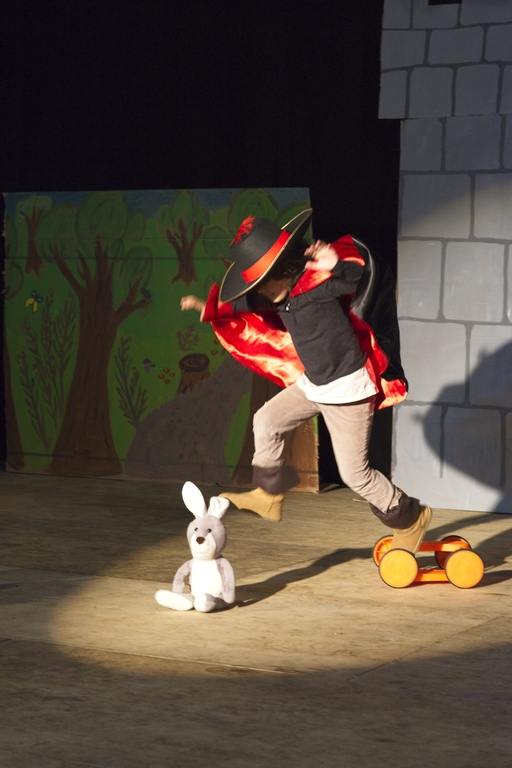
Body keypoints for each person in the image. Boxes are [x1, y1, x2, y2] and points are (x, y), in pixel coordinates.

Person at [181, 209, 432, 554]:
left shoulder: (318, 285)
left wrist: (335, 264)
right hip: (314, 386)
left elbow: (357, 280)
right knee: (266, 421)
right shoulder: (277, 296)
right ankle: (269, 496)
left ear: (282, 273)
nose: (259, 293)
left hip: (346, 390)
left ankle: (410, 518)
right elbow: (244, 306)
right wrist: (209, 309)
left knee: (355, 474)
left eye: (261, 285)